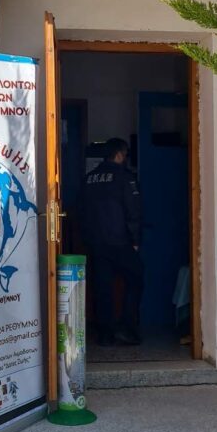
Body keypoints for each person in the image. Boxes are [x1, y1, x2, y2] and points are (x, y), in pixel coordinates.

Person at [81, 138, 143, 347]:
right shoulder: (124, 178)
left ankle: (105, 334)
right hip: (120, 241)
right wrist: (135, 239)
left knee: (102, 287)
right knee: (136, 279)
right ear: (119, 154)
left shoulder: (89, 178)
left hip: (96, 243)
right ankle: (127, 328)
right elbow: (133, 210)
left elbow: (82, 210)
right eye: (125, 154)